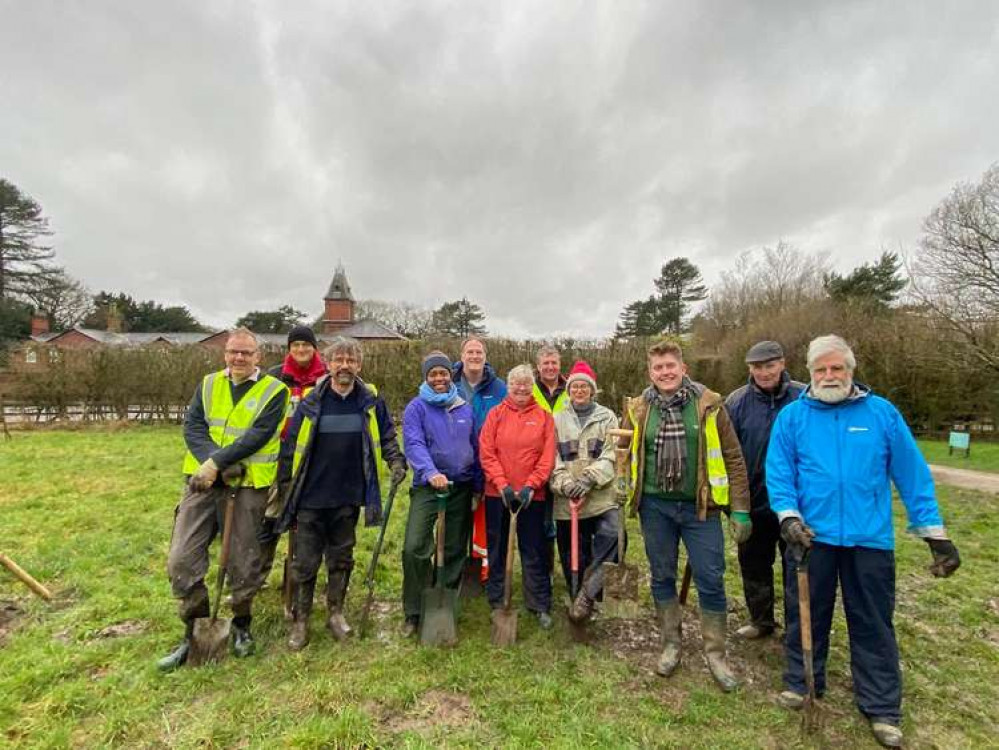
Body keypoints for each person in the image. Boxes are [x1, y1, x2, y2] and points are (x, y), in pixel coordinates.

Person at [767, 334, 961, 749]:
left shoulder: (882, 415)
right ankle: (803, 682)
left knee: (873, 620)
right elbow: (779, 472)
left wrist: (934, 534)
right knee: (805, 614)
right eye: (820, 369)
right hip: (810, 536)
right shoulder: (793, 418)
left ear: (850, 371)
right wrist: (788, 517)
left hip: (869, 538)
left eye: (836, 368)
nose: (828, 375)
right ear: (810, 373)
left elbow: (912, 475)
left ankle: (881, 706)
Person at [619, 340, 751, 692]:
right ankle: (671, 643)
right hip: (655, 507)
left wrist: (739, 508)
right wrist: (620, 481)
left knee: (710, 576)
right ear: (650, 373)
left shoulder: (708, 405)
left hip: (700, 508)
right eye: (658, 368)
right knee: (662, 574)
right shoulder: (637, 408)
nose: (665, 373)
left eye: (670, 366)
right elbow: (622, 450)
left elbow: (734, 457)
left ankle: (716, 652)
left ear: (683, 369)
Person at [158, 328, 289, 670]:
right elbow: (193, 428)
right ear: (225, 354)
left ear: (258, 357)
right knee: (181, 560)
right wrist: (212, 465)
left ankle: (242, 624)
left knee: (244, 561)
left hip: (247, 486)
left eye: (246, 353)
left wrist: (218, 462)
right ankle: (194, 628)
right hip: (202, 484)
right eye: (234, 352)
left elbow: (260, 435)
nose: (239, 358)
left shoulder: (275, 390)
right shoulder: (208, 384)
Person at [275, 336, 407, 651]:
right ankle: (302, 619)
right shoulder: (311, 401)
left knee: (341, 558)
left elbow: (387, 435)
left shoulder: (370, 401)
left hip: (349, 494)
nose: (345, 366)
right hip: (310, 495)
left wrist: (396, 461)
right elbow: (290, 445)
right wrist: (285, 486)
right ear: (329, 364)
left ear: (359, 366)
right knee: (305, 562)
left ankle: (335, 612)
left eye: (351, 360)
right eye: (339, 360)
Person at [724, 340, 804, 640]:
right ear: (750, 369)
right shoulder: (737, 402)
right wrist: (732, 505)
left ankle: (798, 629)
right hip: (753, 501)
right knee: (754, 565)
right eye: (758, 367)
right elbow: (725, 453)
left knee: (797, 568)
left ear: (782, 363)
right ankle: (761, 621)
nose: (764, 372)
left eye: (770, 365)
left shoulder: (803, 397)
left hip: (797, 504)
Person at [400, 351, 481, 636]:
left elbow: (475, 446)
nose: (438, 378)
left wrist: (478, 486)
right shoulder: (416, 408)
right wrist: (430, 471)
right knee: (415, 547)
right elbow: (413, 443)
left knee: (454, 547)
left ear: (451, 375)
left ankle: (444, 601)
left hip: (460, 486)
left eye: (443, 373)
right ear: (426, 377)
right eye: (433, 374)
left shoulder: (464, 407)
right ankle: (413, 610)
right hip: (428, 487)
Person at [479, 364, 556, 628]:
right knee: (497, 547)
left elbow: (547, 458)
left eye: (526, 384)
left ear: (532, 385)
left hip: (531, 497)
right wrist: (502, 485)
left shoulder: (544, 417)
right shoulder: (496, 414)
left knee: (533, 548)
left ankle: (539, 603)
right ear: (508, 386)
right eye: (515, 384)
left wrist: (531, 486)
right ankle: (497, 598)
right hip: (497, 494)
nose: (521, 389)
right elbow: (487, 453)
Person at [258, 325, 328, 590]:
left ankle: (296, 580)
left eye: (306, 345)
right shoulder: (275, 377)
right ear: (289, 349)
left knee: (303, 526)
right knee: (268, 519)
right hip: (276, 461)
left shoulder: (325, 379)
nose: (301, 350)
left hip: (312, 461)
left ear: (314, 348)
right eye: (296, 345)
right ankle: (257, 576)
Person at [548, 361, 619, 622]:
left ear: (592, 390)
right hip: (568, 500)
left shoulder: (607, 417)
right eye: (574, 386)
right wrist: (565, 483)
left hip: (600, 496)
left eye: (584, 386)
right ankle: (575, 594)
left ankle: (588, 593)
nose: (579, 390)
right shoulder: (556, 420)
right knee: (570, 551)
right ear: (569, 390)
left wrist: (589, 479)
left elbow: (612, 455)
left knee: (612, 534)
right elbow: (550, 457)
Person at [452, 337, 507, 584]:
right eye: (470, 351)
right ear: (462, 356)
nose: (475, 356)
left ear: (485, 357)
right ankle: (452, 570)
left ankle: (482, 570)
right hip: (455, 465)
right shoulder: (448, 383)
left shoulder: (499, 388)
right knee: (456, 520)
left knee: (484, 522)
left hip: (488, 464)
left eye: (479, 352)